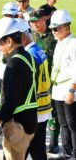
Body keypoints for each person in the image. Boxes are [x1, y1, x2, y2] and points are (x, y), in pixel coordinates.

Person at [0, 18, 38, 160]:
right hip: (29, 121)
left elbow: (10, 100)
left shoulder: (13, 64)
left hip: (17, 124)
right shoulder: (27, 56)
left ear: (9, 41)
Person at [17, 18, 52, 160]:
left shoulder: (29, 55)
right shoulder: (37, 50)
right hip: (43, 106)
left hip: (34, 108)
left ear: (23, 37)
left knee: (22, 150)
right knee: (38, 150)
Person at [29, 9, 60, 154]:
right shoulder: (31, 37)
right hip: (35, 83)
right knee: (38, 113)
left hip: (50, 81)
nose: (35, 24)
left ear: (44, 19)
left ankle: (53, 142)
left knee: (53, 113)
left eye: (37, 20)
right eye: (32, 22)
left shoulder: (53, 38)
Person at [48, 10, 76, 160]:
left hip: (68, 89)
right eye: (52, 29)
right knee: (63, 123)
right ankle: (67, 152)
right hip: (57, 89)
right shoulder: (59, 43)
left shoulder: (73, 43)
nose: (53, 32)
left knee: (73, 123)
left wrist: (72, 90)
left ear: (66, 27)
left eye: (56, 28)